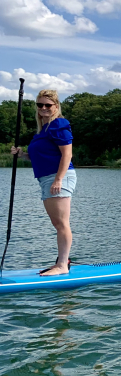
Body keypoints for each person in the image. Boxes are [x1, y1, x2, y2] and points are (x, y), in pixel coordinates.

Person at [9, 90, 75, 276]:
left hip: (59, 177)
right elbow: (40, 157)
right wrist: (22, 154)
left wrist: (58, 179)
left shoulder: (59, 124)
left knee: (62, 223)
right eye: (40, 105)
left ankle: (62, 265)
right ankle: (62, 262)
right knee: (57, 223)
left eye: (48, 105)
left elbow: (67, 154)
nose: (44, 108)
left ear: (56, 106)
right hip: (47, 178)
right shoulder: (42, 130)